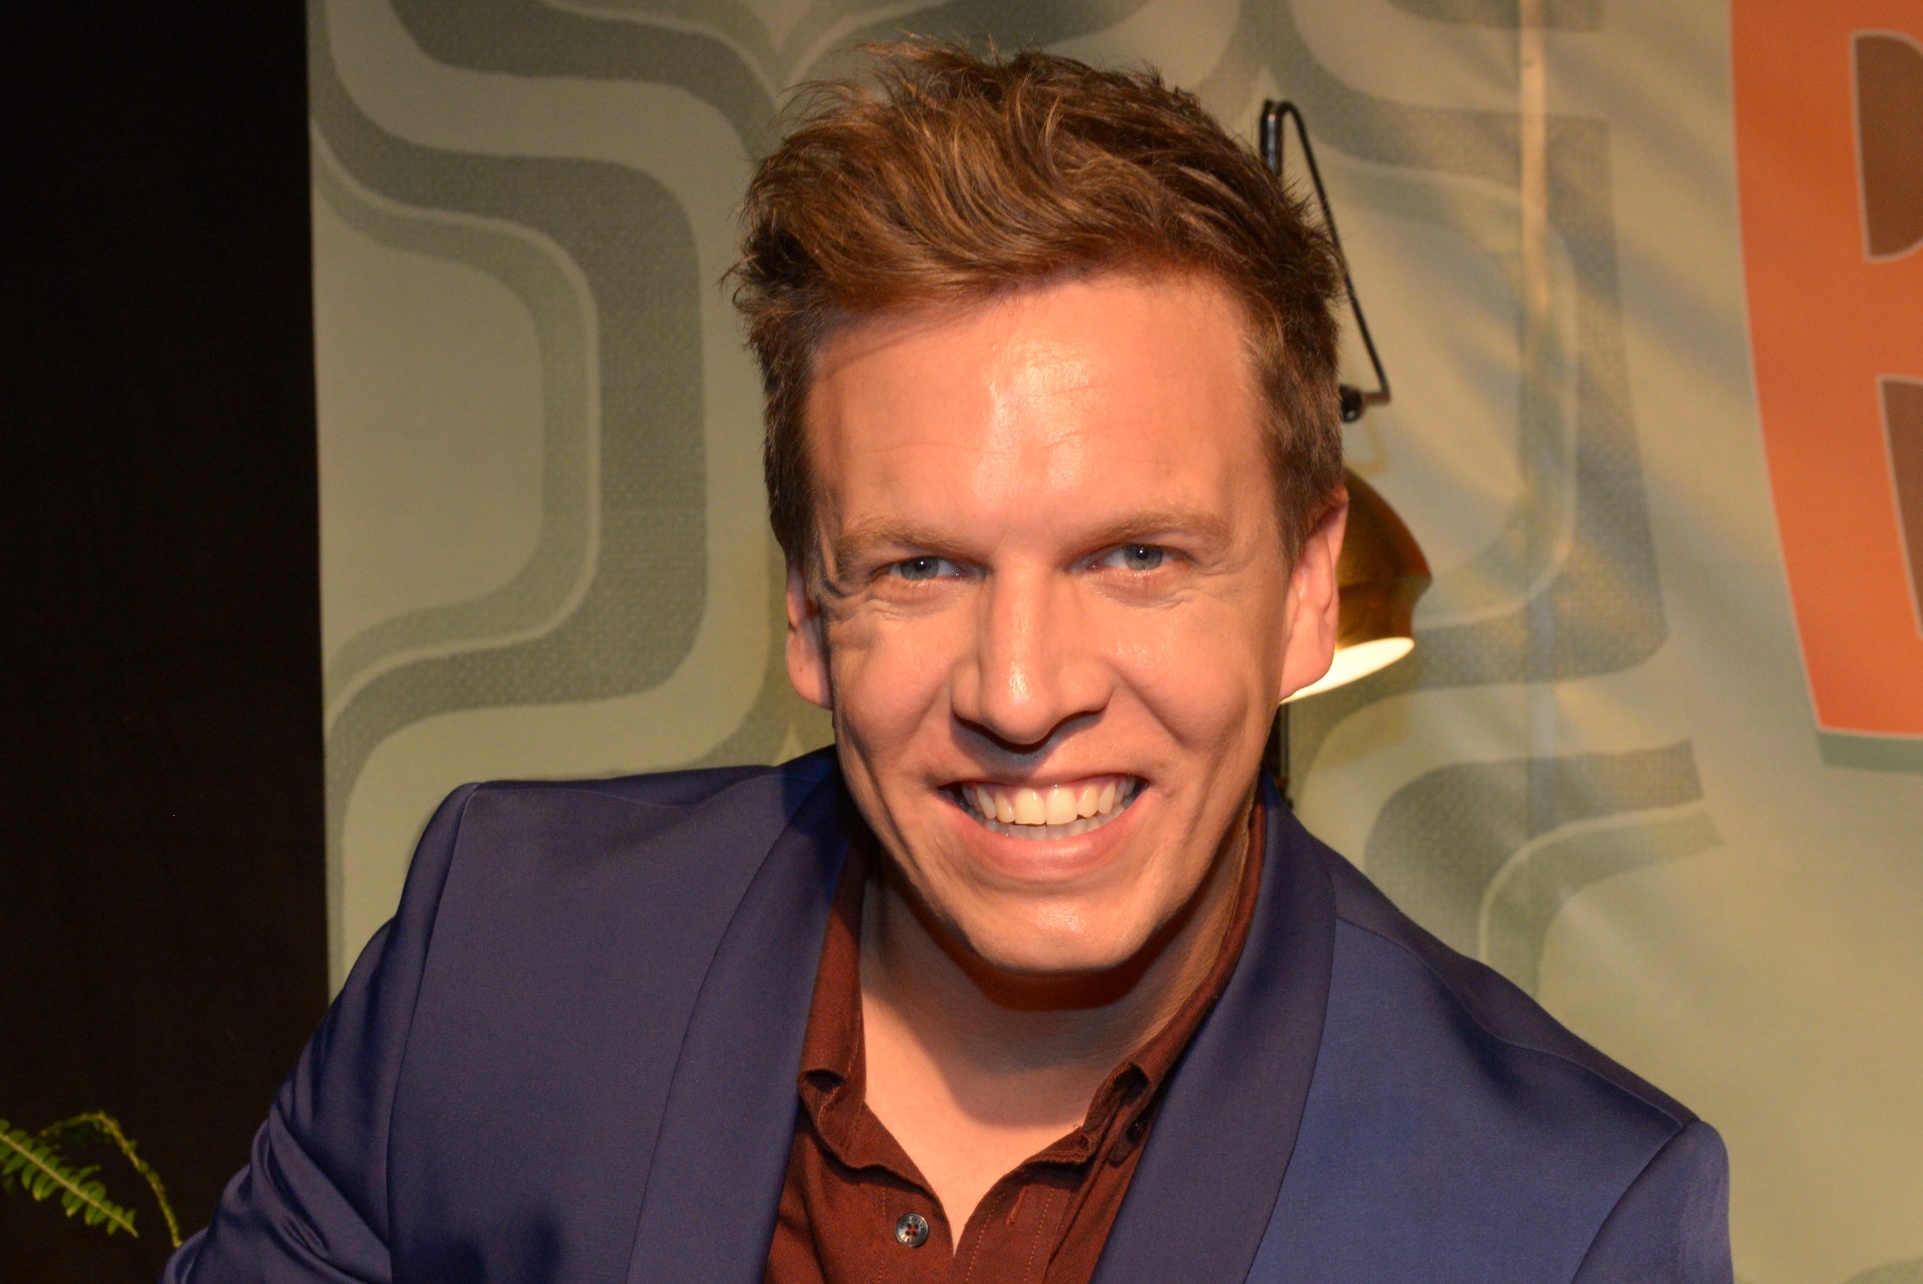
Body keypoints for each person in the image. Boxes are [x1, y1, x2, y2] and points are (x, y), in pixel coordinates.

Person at [164, 43, 1732, 1283]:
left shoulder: (1560, 1216)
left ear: (1309, 592)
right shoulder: (502, 956)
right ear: (806, 611)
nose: (1023, 692)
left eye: (1136, 556)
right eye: (922, 568)